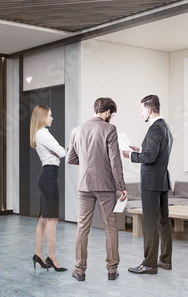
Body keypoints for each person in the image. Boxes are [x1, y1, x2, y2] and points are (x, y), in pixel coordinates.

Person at [67, 97, 128, 282]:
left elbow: (70, 158)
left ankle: (79, 270)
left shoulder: (76, 130)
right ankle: (111, 270)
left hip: (84, 185)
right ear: (108, 112)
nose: (112, 117)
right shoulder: (110, 129)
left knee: (82, 227)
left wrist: (87, 162)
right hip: (105, 186)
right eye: (112, 114)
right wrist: (122, 187)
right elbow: (115, 162)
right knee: (110, 228)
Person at [123, 94, 173, 275]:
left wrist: (131, 155)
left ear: (149, 110)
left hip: (151, 183)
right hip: (162, 181)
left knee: (150, 223)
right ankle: (165, 261)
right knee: (163, 222)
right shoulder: (165, 127)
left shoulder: (154, 129)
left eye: (142, 110)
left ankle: (149, 264)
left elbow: (150, 158)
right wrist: (141, 150)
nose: (141, 113)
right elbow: (155, 153)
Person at [30, 105, 67, 272]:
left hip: (46, 177)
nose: (52, 118)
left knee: (44, 219)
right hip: (49, 178)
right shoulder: (43, 133)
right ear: (43, 116)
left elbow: (58, 153)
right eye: (50, 115)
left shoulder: (39, 134)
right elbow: (61, 152)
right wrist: (56, 152)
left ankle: (39, 254)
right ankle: (52, 257)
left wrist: (56, 152)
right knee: (52, 220)